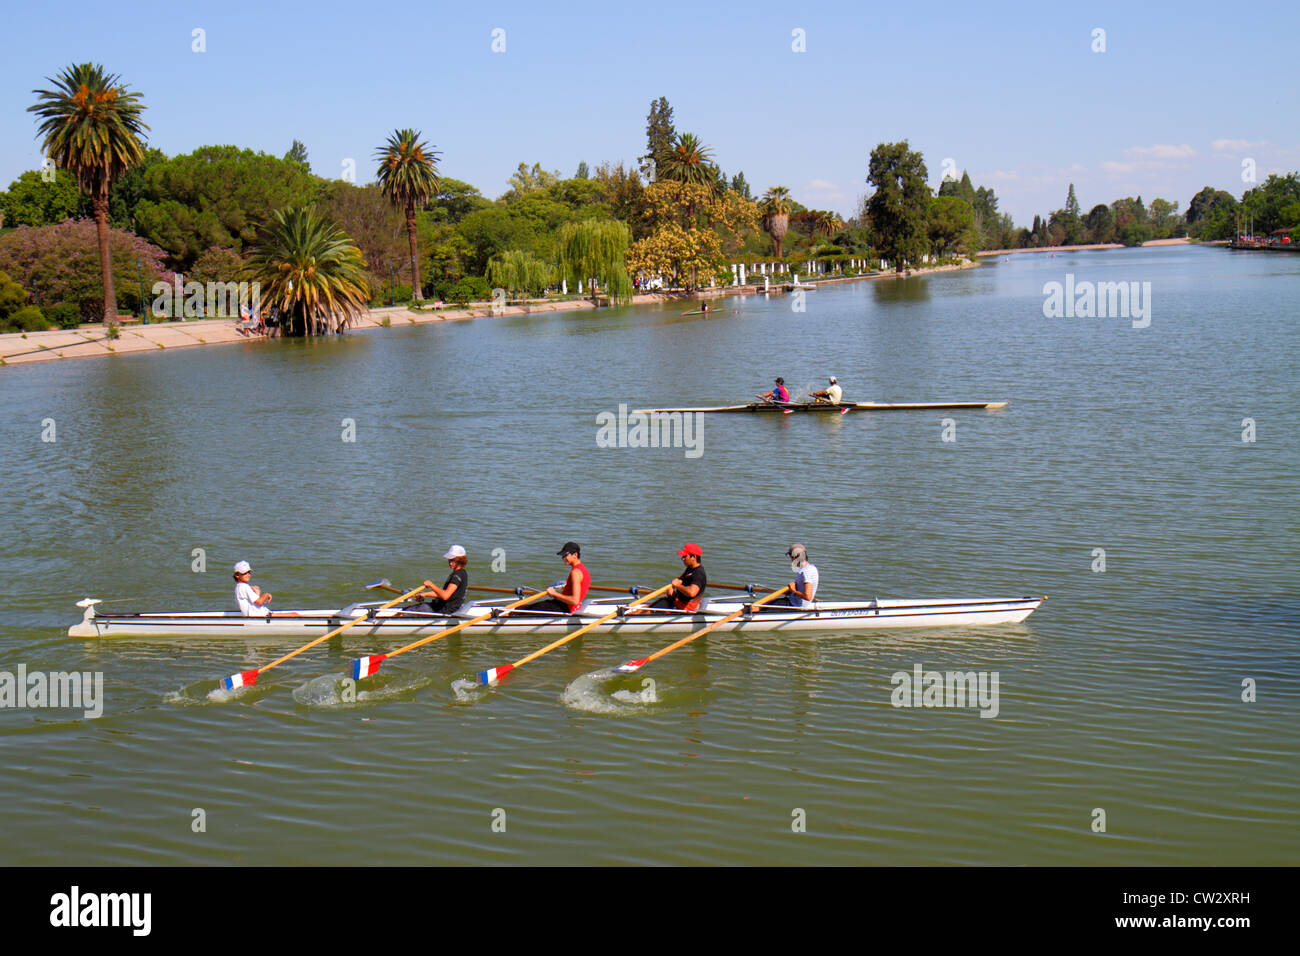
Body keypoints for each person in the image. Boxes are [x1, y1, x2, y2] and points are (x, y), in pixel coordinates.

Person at [523, 542, 590, 614]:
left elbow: (575, 600)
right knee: (526, 608)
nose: (563, 558)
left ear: (575, 555)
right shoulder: (583, 570)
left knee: (520, 610)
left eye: (565, 555)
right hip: (565, 605)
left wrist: (554, 593)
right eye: (562, 556)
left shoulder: (575, 573)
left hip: (564, 608)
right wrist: (567, 586)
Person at [402, 545, 469, 615]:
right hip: (444, 607)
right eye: (449, 560)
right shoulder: (462, 573)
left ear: (460, 560)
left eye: (453, 560)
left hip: (445, 610)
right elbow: (444, 593)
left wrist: (431, 585)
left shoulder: (457, 575)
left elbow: (445, 596)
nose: (450, 563)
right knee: (407, 609)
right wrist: (425, 594)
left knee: (403, 612)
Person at [644, 543, 708, 612]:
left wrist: (677, 585)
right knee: (647, 607)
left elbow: (691, 592)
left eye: (685, 557)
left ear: (694, 557)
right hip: (677, 601)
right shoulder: (690, 568)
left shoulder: (698, 573)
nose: (682, 559)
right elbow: (679, 580)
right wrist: (671, 587)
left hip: (684, 609)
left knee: (649, 611)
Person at [784, 544, 819, 609]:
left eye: (791, 556)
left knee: (760, 607)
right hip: (794, 601)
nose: (791, 559)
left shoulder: (806, 571)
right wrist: (791, 591)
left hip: (796, 605)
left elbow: (808, 597)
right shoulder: (809, 567)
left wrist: (794, 591)